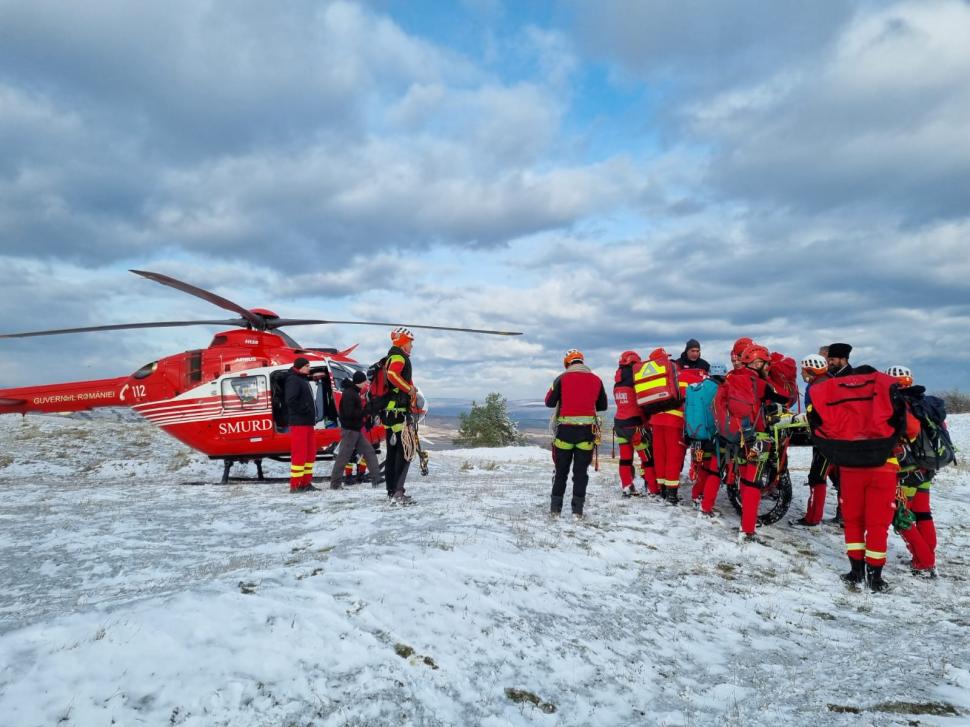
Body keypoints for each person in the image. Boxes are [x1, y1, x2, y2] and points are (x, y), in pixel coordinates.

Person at [808, 354, 919, 592]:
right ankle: (875, 576)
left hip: (849, 467)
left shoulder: (841, 397)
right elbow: (913, 429)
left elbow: (820, 423)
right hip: (884, 467)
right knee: (878, 524)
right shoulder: (886, 394)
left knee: (853, 521)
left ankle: (855, 571)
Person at [725, 344, 791, 542]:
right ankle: (747, 529)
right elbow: (784, 395)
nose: (768, 367)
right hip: (756, 438)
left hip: (734, 436)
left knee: (743, 478)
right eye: (766, 363)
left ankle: (746, 520)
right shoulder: (759, 383)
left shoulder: (731, 378)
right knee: (752, 483)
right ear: (757, 362)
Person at [545, 349, 608, 518]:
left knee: (561, 472)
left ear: (567, 363)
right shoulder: (596, 379)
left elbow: (549, 402)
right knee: (580, 474)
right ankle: (577, 511)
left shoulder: (561, 378)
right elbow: (602, 406)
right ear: (582, 362)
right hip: (587, 433)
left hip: (565, 432)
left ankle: (555, 510)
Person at [888, 365, 938, 578]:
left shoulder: (899, 405)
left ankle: (924, 561)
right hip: (927, 467)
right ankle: (928, 555)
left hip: (906, 471)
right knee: (923, 512)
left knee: (901, 516)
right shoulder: (923, 402)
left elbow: (902, 433)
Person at [790, 354, 839, 527]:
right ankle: (846, 516)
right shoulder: (831, 381)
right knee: (839, 479)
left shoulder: (816, 387)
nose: (801, 374)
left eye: (803, 370)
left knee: (816, 478)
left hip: (826, 440)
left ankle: (813, 517)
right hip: (837, 439)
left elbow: (816, 414)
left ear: (810, 369)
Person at [380, 327, 418, 504]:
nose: (411, 347)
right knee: (405, 453)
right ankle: (398, 492)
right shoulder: (398, 357)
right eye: (410, 343)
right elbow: (393, 374)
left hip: (391, 413)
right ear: (403, 342)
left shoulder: (393, 356)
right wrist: (409, 389)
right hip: (398, 414)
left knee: (393, 454)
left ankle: (392, 491)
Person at [686, 362, 728, 515]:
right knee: (713, 469)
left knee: (701, 465)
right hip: (712, 436)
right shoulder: (719, 388)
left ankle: (696, 495)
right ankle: (705, 503)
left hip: (696, 436)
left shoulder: (698, 387)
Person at [329, 371, 382, 490]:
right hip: (350, 431)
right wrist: (365, 411)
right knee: (343, 457)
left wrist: (365, 412)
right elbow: (349, 414)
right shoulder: (349, 394)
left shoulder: (353, 393)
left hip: (355, 430)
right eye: (364, 381)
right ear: (360, 382)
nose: (366, 383)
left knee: (369, 452)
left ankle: (376, 479)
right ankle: (335, 484)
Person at [613, 351, 650, 498]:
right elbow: (640, 405)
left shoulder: (617, 383)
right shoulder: (635, 382)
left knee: (625, 458)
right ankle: (651, 487)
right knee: (647, 458)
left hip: (620, 425)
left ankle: (626, 486)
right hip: (634, 426)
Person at [285, 357, 320, 493]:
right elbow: (291, 400)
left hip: (307, 423)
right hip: (299, 423)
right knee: (300, 454)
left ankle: (306, 483)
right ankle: (295, 485)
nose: (309, 368)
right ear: (300, 367)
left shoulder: (302, 379)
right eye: (307, 366)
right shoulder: (293, 380)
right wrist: (306, 408)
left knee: (310, 453)